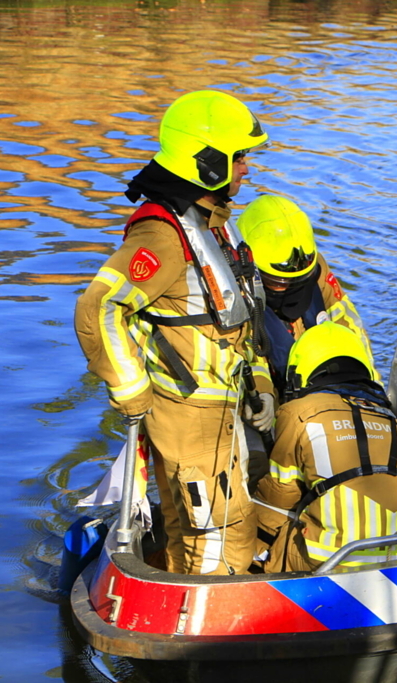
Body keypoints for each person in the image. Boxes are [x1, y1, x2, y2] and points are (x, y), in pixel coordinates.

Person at [74, 90, 274, 575]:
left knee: (193, 524)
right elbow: (97, 307)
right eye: (238, 157)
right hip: (190, 413)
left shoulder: (212, 223)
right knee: (222, 531)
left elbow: (236, 321)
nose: (246, 168)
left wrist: (261, 384)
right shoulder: (163, 236)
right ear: (207, 162)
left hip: (219, 406)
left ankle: (180, 592)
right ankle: (207, 615)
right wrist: (130, 389)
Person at [255, 322, 397, 572]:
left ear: (300, 373)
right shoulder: (391, 419)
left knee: (250, 515)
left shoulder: (297, 412)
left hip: (334, 558)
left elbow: (281, 495)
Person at [235, 194, 375, 398]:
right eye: (278, 281)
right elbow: (244, 356)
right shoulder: (236, 291)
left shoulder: (315, 270)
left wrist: (371, 387)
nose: (289, 287)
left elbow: (350, 329)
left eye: (299, 280)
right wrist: (266, 396)